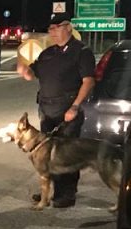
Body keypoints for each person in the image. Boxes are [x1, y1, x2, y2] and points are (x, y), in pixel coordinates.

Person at [16, 13, 96, 207]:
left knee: (66, 154)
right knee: (46, 154)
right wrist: (24, 70)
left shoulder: (81, 51)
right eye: (50, 28)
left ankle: (66, 194)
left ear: (68, 27)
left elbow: (88, 81)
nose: (52, 32)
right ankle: (48, 192)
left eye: (56, 27)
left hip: (67, 110)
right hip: (46, 109)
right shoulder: (48, 53)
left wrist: (75, 106)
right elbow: (33, 74)